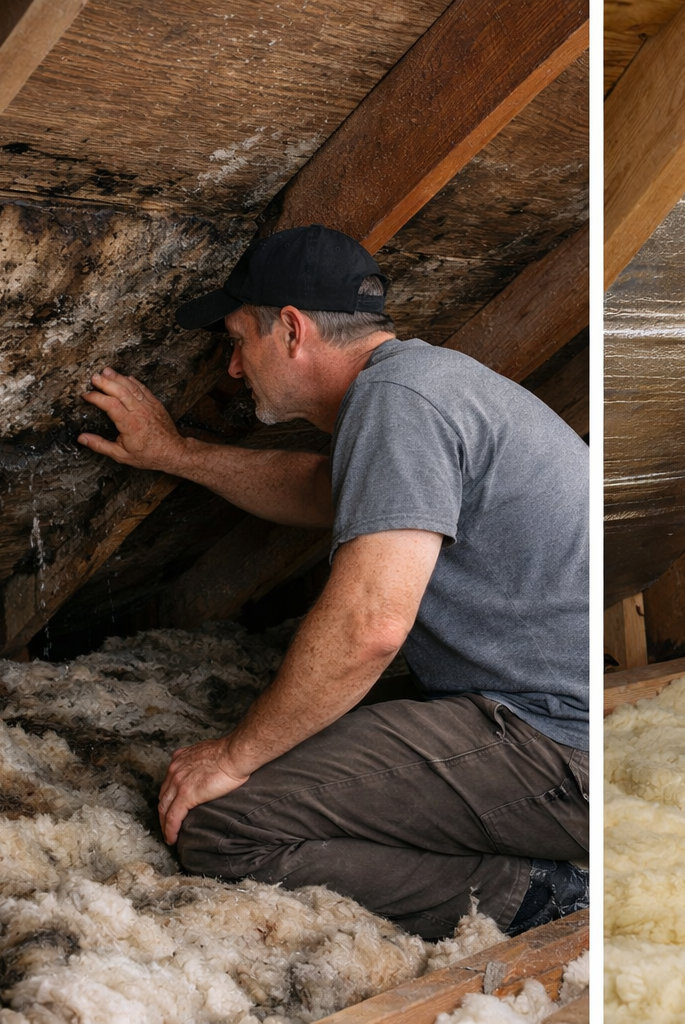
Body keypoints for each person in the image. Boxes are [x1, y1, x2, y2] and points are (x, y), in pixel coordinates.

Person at [76, 224, 589, 938]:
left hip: (555, 748)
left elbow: (371, 629)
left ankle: (544, 892)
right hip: (565, 724)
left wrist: (234, 756)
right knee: (291, 736)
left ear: (291, 329)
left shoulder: (400, 403)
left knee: (222, 824)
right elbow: (326, 488)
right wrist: (176, 453)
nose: (231, 368)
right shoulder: (424, 382)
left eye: (236, 341)